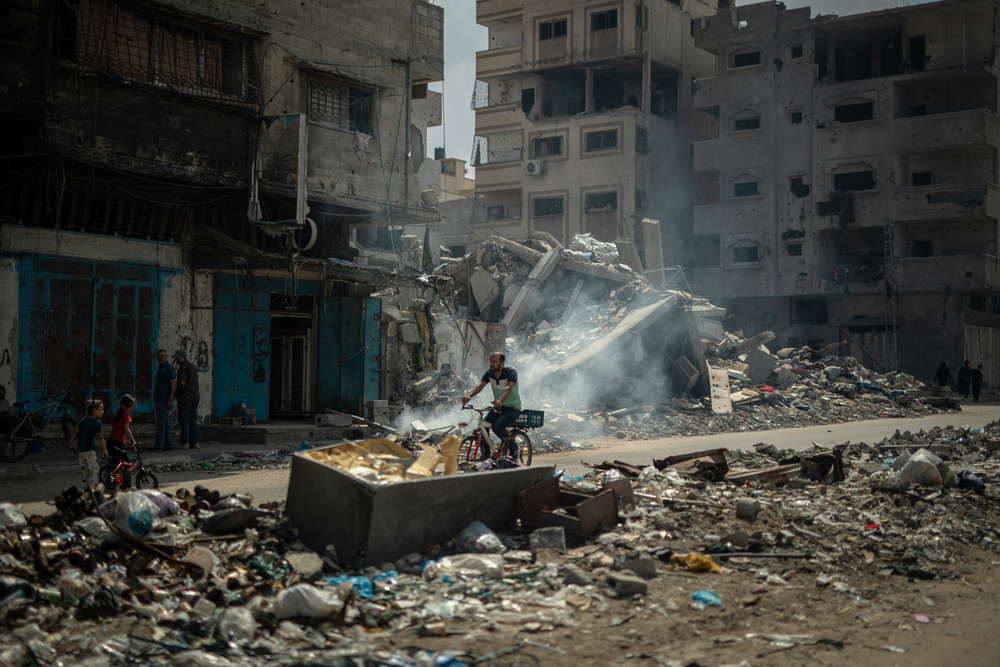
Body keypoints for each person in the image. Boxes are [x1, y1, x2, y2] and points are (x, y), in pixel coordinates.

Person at [462, 351, 522, 461]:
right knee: (483, 426)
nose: (492, 364)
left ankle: (514, 447)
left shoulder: (511, 373)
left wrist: (500, 401)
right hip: (499, 407)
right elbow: (480, 385)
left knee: (497, 427)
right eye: (491, 361)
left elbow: (508, 388)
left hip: (513, 408)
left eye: (495, 362)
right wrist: (469, 396)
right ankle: (486, 456)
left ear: (502, 363)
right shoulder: (490, 373)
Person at [67, 399, 107, 489]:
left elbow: (75, 431)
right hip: (89, 451)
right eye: (102, 409)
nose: (103, 411)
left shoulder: (83, 420)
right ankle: (91, 491)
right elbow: (101, 437)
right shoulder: (97, 422)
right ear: (95, 410)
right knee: (95, 471)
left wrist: (71, 441)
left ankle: (83, 490)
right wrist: (104, 449)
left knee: (85, 472)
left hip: (80, 451)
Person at [174, 350, 200, 450]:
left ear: (184, 358)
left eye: (178, 358)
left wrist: (176, 392)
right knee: (192, 419)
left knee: (184, 420)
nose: (176, 360)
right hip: (195, 397)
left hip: (186, 397)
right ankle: (195, 442)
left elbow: (181, 384)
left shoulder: (183, 368)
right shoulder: (192, 367)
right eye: (176, 358)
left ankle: (185, 442)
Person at [150, 349, 176, 451]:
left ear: (166, 357)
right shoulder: (160, 369)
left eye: (163, 355)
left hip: (164, 399)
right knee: (165, 422)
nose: (161, 357)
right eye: (159, 356)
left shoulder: (169, 368)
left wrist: (170, 400)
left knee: (160, 423)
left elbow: (173, 384)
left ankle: (158, 445)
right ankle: (169, 444)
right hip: (160, 399)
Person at [107, 394, 138, 467]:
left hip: (111, 441)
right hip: (118, 442)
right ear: (130, 406)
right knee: (126, 463)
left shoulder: (118, 415)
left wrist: (123, 441)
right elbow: (127, 430)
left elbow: (117, 429)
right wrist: (133, 442)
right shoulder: (126, 416)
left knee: (114, 463)